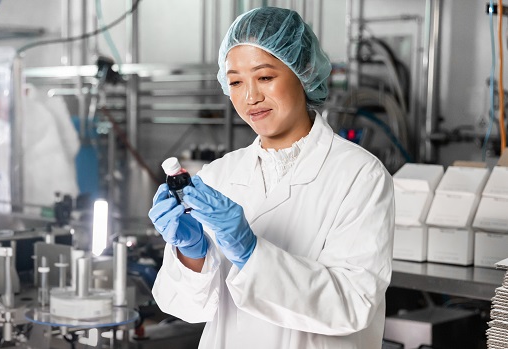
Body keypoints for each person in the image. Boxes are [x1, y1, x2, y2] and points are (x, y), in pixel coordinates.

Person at [148, 7, 393, 349]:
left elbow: (354, 305)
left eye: (264, 77)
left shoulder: (359, 175)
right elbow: (188, 308)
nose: (251, 97)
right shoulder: (218, 175)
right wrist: (191, 253)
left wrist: (250, 252)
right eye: (235, 82)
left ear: (304, 72)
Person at [0, 76, 80, 210]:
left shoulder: (33, 111)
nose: (0, 117)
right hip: (34, 198)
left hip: (51, 196)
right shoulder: (10, 113)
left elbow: (12, 149)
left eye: (0, 111)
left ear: (6, 96)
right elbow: (1, 144)